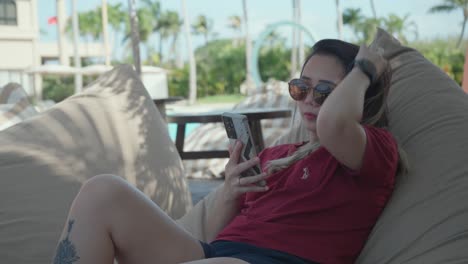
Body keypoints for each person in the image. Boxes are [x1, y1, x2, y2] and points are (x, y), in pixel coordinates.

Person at [53, 39, 407, 264]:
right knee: (102, 191)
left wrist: (367, 71)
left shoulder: (373, 149)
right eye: (301, 88)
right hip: (218, 255)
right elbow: (212, 239)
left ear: (353, 97)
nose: (310, 100)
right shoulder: (274, 156)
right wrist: (229, 194)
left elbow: (333, 125)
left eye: (326, 91)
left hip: (282, 260)